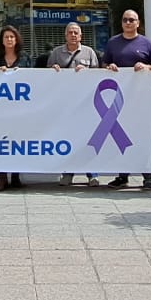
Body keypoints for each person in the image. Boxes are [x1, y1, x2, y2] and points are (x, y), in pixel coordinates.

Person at [103, 9, 151, 190]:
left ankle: (147, 176)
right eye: (125, 20)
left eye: (131, 20)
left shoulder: (147, 43)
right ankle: (122, 176)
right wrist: (109, 66)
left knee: (141, 135)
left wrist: (146, 66)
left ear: (138, 23)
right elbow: (104, 64)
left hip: (141, 100)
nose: (128, 23)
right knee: (120, 137)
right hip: (118, 100)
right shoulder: (113, 42)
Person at [48, 22, 101, 185]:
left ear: (81, 36)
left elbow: (98, 74)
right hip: (65, 104)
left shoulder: (89, 52)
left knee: (88, 138)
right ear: (65, 35)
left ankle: (92, 174)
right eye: (70, 32)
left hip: (86, 103)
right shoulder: (56, 53)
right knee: (67, 138)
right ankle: (67, 173)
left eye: (76, 32)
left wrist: (87, 72)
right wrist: (53, 69)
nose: (73, 35)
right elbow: (46, 76)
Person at [0, 25, 32, 191]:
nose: (9, 40)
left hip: (19, 108)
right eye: (6, 37)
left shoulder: (25, 58)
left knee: (18, 141)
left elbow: (34, 78)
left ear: (17, 39)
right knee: (0, 142)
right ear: (2, 40)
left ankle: (15, 176)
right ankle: (1, 177)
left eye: (12, 37)